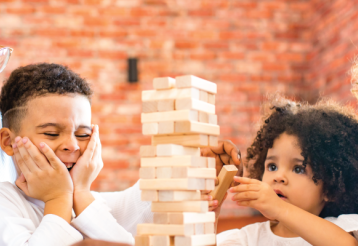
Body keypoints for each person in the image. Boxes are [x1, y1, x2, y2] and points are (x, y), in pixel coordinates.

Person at [0, 63, 240, 245]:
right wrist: (59, 198)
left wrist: (189, 167)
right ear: (9, 142)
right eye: (52, 133)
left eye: (83, 134)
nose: (72, 145)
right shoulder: (6, 203)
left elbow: (138, 206)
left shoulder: (85, 200)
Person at [216, 97, 358, 246]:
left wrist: (279, 208)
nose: (278, 177)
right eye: (272, 167)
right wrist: (210, 214)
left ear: (329, 189)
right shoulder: (249, 238)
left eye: (298, 169)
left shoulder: (341, 229)